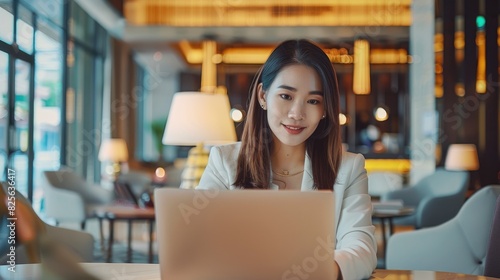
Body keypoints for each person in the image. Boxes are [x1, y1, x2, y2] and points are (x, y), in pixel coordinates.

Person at [197, 39, 377, 279]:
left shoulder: (349, 167)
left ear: (325, 109)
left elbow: (362, 248)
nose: (296, 114)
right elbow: (198, 242)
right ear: (263, 95)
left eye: (313, 101)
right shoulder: (224, 161)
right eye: (286, 96)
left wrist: (321, 271)